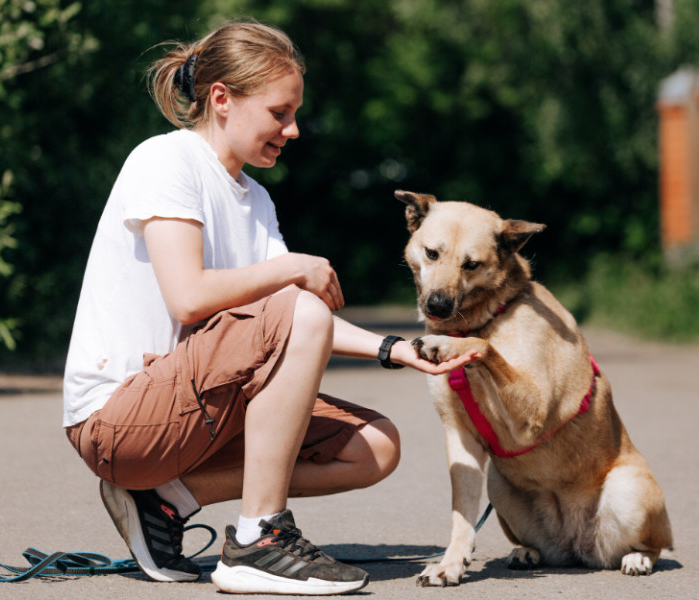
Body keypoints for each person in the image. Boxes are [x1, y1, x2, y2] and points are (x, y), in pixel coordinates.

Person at [62, 19, 475, 595]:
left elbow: (293, 323)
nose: (294, 129)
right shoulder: (166, 161)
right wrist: (291, 269)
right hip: (118, 420)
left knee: (375, 447)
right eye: (280, 113)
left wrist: (395, 348)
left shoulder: (255, 199)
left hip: (192, 405)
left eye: (295, 113)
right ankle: (258, 540)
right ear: (223, 100)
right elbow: (190, 296)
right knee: (297, 303)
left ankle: (167, 500)